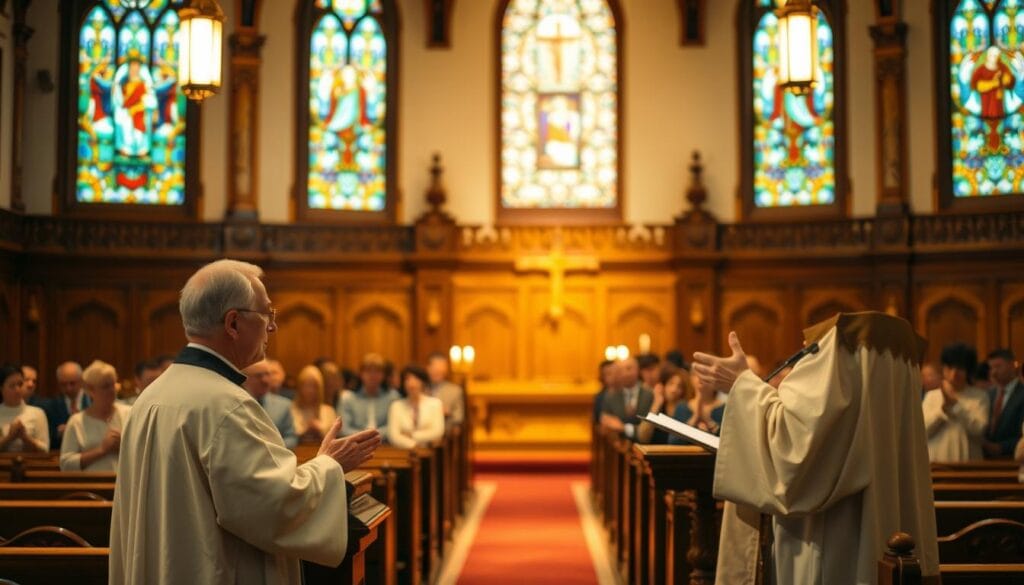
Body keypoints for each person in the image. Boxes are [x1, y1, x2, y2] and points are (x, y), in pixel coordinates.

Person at [110, 259, 381, 585]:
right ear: (233, 323)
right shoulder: (226, 405)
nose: (272, 328)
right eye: (267, 315)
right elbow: (273, 507)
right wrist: (329, 465)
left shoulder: (150, 397)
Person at [692, 312, 939, 584]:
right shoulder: (896, 360)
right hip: (887, 528)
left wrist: (740, 384)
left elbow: (792, 450)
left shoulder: (839, 353)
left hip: (828, 537)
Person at [922, 343, 989, 462]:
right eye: (950, 367)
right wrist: (942, 411)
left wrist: (955, 407)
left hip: (969, 462)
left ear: (968, 370)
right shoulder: (932, 396)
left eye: (960, 368)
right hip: (936, 462)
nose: (954, 373)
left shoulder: (979, 396)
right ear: (943, 369)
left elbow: (979, 430)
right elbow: (923, 431)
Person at [60, 360, 130, 471]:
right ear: (90, 390)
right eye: (105, 386)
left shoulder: (129, 414)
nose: (112, 390)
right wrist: (101, 450)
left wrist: (124, 446)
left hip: (125, 484)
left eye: (113, 384)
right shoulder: (76, 422)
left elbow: (145, 452)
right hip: (90, 485)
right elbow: (66, 464)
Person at [387, 364, 445, 449]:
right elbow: (393, 435)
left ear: (423, 381)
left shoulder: (435, 404)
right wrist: (413, 445)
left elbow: (438, 431)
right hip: (404, 452)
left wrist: (412, 435)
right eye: (407, 379)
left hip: (429, 453)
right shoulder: (396, 406)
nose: (411, 383)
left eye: (416, 378)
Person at [243, 360, 298, 449]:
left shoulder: (284, 405)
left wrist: (273, 448)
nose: (265, 380)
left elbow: (291, 437)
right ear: (246, 378)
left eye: (267, 374)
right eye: (258, 376)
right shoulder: (237, 404)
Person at [341, 353, 399, 437]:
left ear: (383, 375)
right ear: (361, 373)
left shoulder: (392, 397)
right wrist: (364, 436)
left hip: (385, 446)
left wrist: (374, 436)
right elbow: (344, 429)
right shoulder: (348, 398)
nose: (373, 375)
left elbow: (395, 427)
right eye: (368, 370)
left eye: (377, 371)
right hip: (355, 446)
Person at [599, 357, 653, 440]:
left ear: (638, 370)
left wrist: (623, 428)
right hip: (619, 445)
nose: (625, 373)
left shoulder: (649, 394)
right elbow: (606, 422)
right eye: (620, 370)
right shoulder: (611, 395)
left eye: (629, 368)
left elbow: (648, 428)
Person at [983, 348, 1024, 458]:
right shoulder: (988, 394)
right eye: (991, 368)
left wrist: (1001, 447)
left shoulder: (1022, 393)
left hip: (1012, 458)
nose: (994, 372)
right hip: (986, 460)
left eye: (998, 367)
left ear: (1012, 366)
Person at [636, 363, 691, 444]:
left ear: (684, 391)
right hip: (654, 453)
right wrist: (657, 403)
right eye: (671, 383)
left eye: (679, 386)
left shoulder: (685, 410)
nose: (674, 389)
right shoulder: (657, 407)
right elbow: (642, 437)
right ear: (663, 386)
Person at [0, 364, 49, 453]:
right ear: (1, 388)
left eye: (20, 384)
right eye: (12, 386)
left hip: (32, 465)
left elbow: (45, 449)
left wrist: (25, 437)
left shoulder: (37, 413)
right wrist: (9, 438)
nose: (18, 390)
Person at [669, 366, 725, 441]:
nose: (701, 377)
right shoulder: (682, 407)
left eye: (706, 374)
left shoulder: (725, 408)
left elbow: (728, 442)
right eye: (697, 374)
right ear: (691, 378)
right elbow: (672, 442)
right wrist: (694, 419)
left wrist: (709, 422)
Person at [45, 361, 91, 449]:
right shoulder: (52, 405)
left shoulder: (93, 401)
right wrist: (58, 433)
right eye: (63, 384)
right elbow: (48, 436)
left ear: (81, 380)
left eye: (72, 383)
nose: (68, 388)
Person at [292, 364, 338, 444]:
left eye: (314, 386)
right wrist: (306, 430)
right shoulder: (291, 409)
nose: (310, 390)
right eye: (306, 385)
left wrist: (320, 430)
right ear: (299, 387)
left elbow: (333, 438)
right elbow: (289, 436)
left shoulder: (329, 411)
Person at [425, 352, 465, 429]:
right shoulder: (421, 389)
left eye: (441, 370)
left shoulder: (455, 391)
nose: (437, 372)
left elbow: (459, 417)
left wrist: (448, 412)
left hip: (444, 432)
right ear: (428, 368)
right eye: (435, 369)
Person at [592, 359, 615, 426]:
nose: (613, 376)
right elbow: (597, 421)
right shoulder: (600, 397)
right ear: (602, 377)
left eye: (614, 373)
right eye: (608, 374)